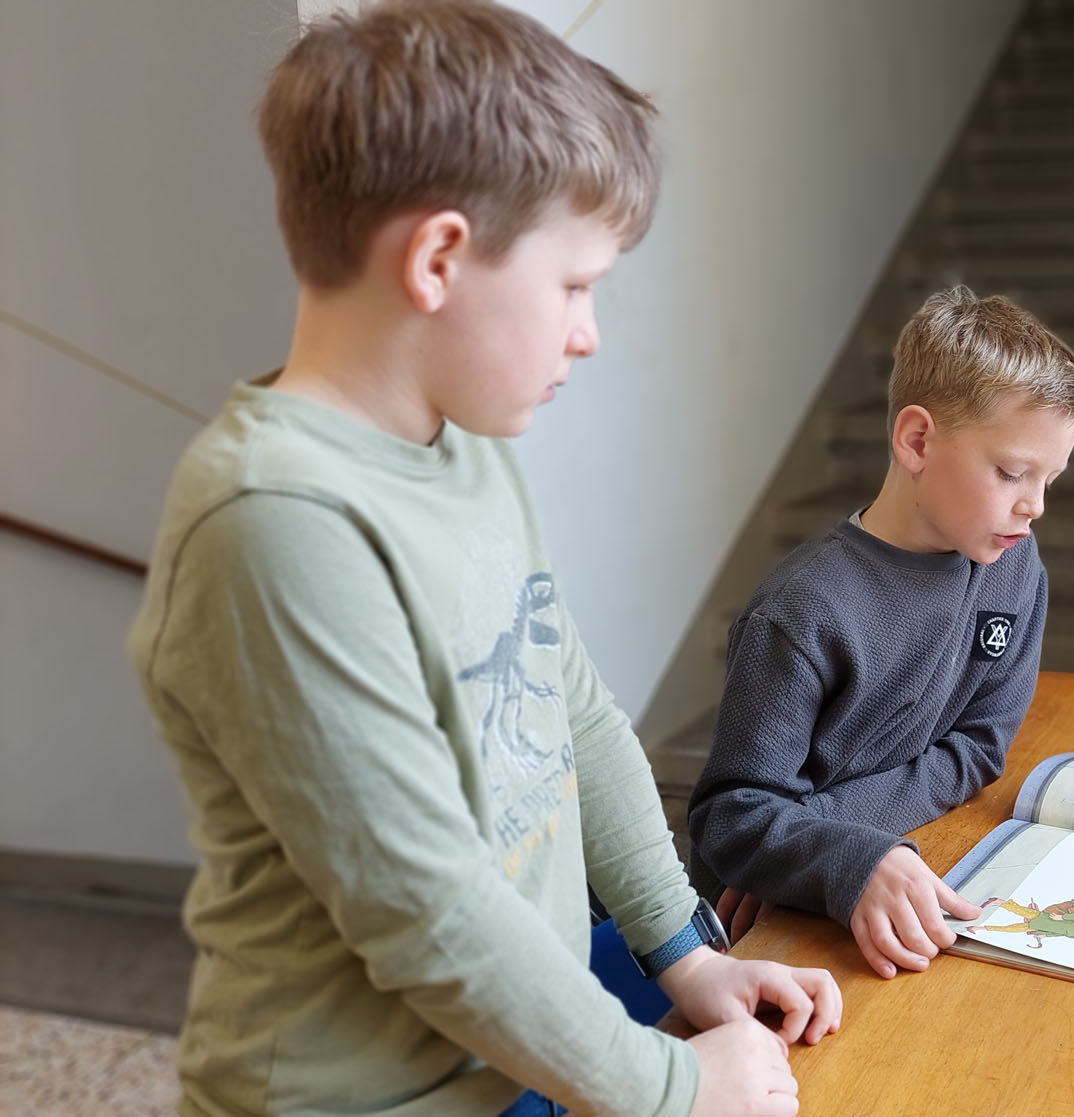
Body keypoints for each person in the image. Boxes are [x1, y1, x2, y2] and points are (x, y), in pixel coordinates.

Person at [124, 3, 838, 1114]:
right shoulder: (274, 522)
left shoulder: (464, 449)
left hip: (524, 1049)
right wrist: (674, 1088)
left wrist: (688, 957)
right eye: (575, 285)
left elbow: (577, 717)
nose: (587, 330)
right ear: (440, 258)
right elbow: (428, 911)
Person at [687, 287, 1074, 979]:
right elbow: (731, 818)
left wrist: (820, 838)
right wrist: (830, 852)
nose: (1035, 505)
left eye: (1049, 479)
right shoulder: (800, 611)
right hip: (748, 936)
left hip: (872, 865)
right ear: (917, 441)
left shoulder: (1015, 569)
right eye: (1012, 472)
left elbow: (979, 745)